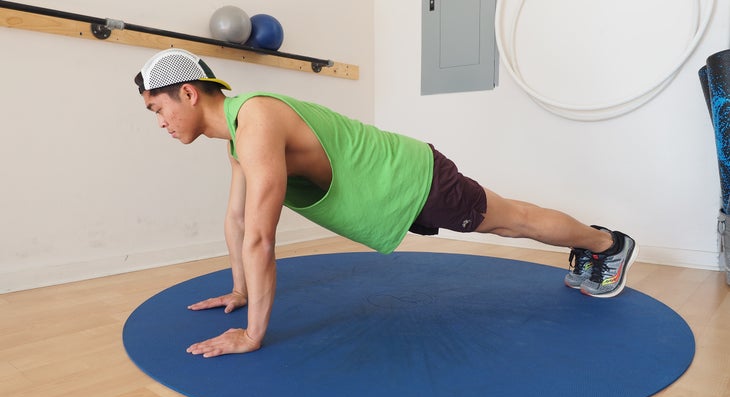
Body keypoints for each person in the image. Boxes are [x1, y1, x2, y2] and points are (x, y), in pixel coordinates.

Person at [134, 48, 638, 358]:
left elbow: (262, 236)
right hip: (392, 194)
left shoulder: (257, 120)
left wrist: (252, 334)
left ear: (189, 93)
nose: (160, 122)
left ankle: (607, 244)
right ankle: (598, 246)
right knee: (511, 221)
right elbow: (238, 219)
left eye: (158, 108)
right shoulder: (238, 140)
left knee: (513, 222)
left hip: (413, 180)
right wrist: (240, 292)